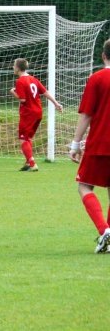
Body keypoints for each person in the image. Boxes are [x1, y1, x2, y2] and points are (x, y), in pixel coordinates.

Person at [69, 39, 110, 253]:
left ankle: (105, 230)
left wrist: (75, 144)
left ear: (103, 56)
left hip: (100, 144)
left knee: (84, 185)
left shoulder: (97, 78)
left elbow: (86, 115)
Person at [10, 58, 63, 171]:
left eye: (14, 65)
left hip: (28, 113)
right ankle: (28, 163)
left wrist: (13, 92)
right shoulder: (33, 79)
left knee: (23, 139)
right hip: (38, 112)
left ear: (18, 68)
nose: (13, 67)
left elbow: (23, 100)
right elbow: (45, 92)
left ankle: (33, 164)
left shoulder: (20, 81)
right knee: (28, 137)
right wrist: (56, 103)